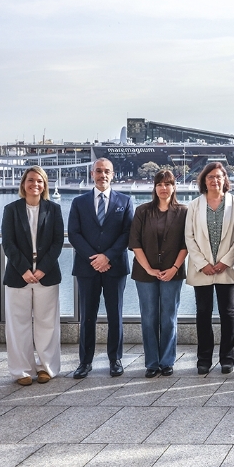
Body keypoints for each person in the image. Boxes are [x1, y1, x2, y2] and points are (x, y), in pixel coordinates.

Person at [68, 157, 133, 379]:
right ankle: (85, 362)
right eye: (98, 171)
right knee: (87, 316)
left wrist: (107, 257)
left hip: (115, 267)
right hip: (87, 268)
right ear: (92, 174)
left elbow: (127, 233)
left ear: (113, 174)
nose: (102, 175)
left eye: (107, 171)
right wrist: (94, 258)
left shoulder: (125, 200)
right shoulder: (79, 202)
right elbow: (74, 233)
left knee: (115, 315)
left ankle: (115, 360)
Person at [1, 166, 64, 386]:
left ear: (44, 185)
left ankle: (47, 368)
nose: (34, 184)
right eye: (30, 180)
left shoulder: (54, 210)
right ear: (23, 184)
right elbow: (7, 243)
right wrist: (25, 270)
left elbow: (58, 243)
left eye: (39, 181)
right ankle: (22, 371)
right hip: (19, 275)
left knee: (47, 324)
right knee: (18, 325)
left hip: (46, 274)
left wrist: (42, 269)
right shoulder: (11, 209)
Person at [129, 169, 188, 378]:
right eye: (159, 184)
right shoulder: (142, 211)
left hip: (173, 272)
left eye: (168, 184)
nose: (164, 188)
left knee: (169, 317)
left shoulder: (183, 212)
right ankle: (152, 363)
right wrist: (148, 269)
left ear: (174, 187)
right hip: (145, 273)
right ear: (154, 187)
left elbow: (186, 243)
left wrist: (173, 268)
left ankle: (167, 361)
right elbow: (134, 243)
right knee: (149, 317)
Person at [185, 162, 234, 375]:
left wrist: (227, 261)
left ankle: (227, 358)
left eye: (219, 176)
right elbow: (189, 237)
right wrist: (203, 264)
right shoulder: (194, 206)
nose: (215, 180)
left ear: (224, 179)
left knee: (229, 314)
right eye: (210, 177)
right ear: (204, 180)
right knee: (203, 313)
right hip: (203, 269)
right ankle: (204, 359)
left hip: (227, 267)